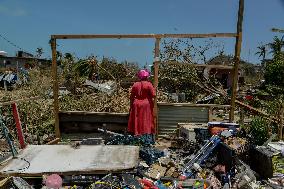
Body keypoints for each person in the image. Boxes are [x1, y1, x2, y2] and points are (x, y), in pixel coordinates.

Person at [128, 69, 156, 144]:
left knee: (137, 120)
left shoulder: (135, 84)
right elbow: (154, 95)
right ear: (147, 76)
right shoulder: (149, 84)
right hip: (146, 105)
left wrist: (131, 106)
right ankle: (147, 139)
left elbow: (131, 97)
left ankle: (136, 137)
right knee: (146, 120)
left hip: (136, 104)